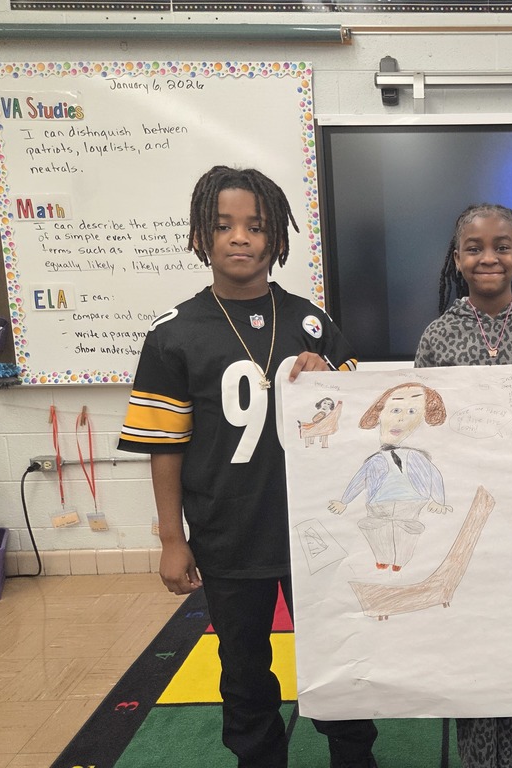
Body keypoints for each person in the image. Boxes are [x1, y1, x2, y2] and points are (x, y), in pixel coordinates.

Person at [117, 165, 378, 768]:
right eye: (224, 225)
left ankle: (354, 755)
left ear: (276, 239)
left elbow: (367, 418)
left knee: (339, 650)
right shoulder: (173, 334)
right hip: (227, 534)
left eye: (256, 226)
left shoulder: (310, 321)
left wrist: (331, 380)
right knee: (242, 667)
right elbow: (166, 447)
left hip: (317, 532)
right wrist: (171, 539)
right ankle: (259, 757)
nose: (241, 238)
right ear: (200, 235)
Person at [414, 202, 512, 768]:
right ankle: (479, 758)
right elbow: (423, 428)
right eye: (475, 247)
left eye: (502, 246)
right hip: (465, 522)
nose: (489, 256)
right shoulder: (437, 337)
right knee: (474, 643)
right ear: (457, 260)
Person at [328, 381, 453, 572]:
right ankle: (382, 559)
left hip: (411, 504)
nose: (401, 418)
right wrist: (344, 501)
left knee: (408, 534)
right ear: (379, 414)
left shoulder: (417, 457)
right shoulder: (375, 460)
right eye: (395, 410)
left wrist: (439, 500)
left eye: (412, 412)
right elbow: (360, 480)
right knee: (376, 530)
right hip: (378, 505)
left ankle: (400, 562)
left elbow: (434, 476)